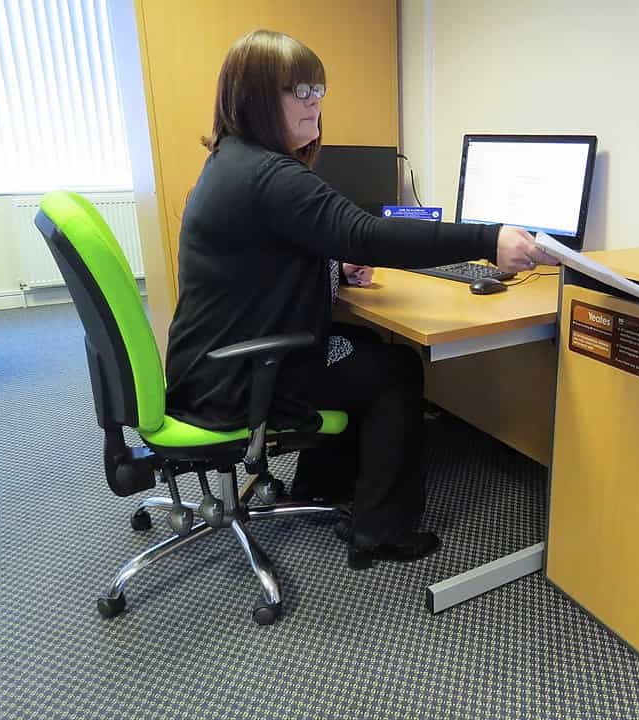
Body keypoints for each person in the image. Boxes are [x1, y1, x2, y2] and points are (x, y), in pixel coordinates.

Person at [164, 29, 556, 569]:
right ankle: (381, 531)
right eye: (298, 91)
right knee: (395, 368)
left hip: (214, 362)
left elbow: (276, 252)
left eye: (318, 90)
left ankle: (325, 483)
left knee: (364, 340)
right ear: (255, 96)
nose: (315, 103)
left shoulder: (233, 161)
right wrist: (489, 238)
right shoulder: (270, 175)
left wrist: (334, 265)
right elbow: (368, 234)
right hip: (242, 376)